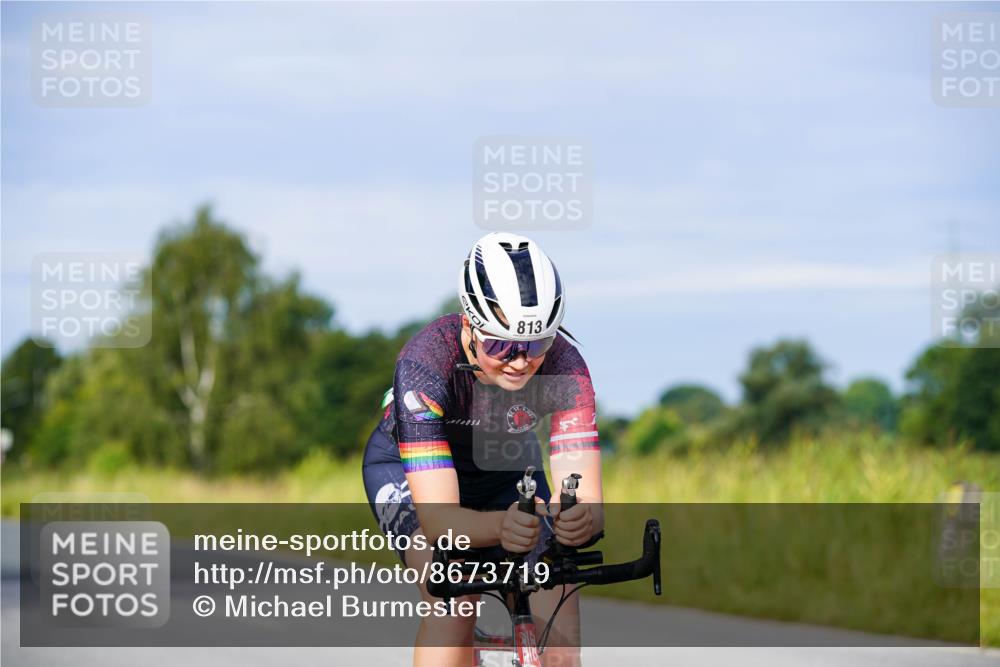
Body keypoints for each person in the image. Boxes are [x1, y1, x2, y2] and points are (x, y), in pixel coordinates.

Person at [362, 232, 604, 667]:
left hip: (504, 470)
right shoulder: (425, 366)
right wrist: (501, 527)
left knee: (561, 625)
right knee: (454, 600)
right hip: (406, 471)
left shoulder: (567, 369)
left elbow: (586, 500)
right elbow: (438, 521)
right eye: (500, 344)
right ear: (468, 326)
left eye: (535, 344)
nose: (518, 360)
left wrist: (579, 518)